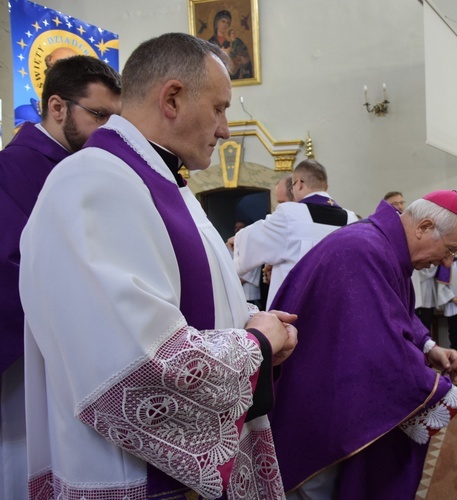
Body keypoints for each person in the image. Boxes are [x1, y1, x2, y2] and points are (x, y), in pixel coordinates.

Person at [19, 33, 297, 499]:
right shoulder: (91, 182)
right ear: (172, 98)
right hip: (129, 474)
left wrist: (249, 321)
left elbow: (187, 304)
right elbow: (136, 367)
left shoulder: (168, 187)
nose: (226, 128)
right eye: (219, 108)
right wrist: (257, 343)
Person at [270, 190, 457, 499]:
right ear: (425, 227)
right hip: (318, 411)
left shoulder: (383, 247)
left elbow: (394, 315)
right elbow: (380, 351)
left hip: (335, 398)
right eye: (449, 250)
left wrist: (429, 346)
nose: (445, 262)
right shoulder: (364, 251)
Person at [0, 55, 121, 500]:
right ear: (56, 107)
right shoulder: (14, 168)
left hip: (78, 357)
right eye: (100, 115)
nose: (108, 130)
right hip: (26, 362)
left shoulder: (82, 165)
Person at [233, 159, 357, 306]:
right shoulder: (351, 219)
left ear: (298, 184)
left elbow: (252, 241)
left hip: (297, 312)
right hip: (337, 306)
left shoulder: (290, 215)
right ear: (326, 187)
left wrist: (235, 239)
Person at [208, 10, 253, 80]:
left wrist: (242, 60)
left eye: (228, 23)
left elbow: (246, 61)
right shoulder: (209, 43)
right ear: (216, 23)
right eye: (223, 21)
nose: (225, 25)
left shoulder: (236, 41)